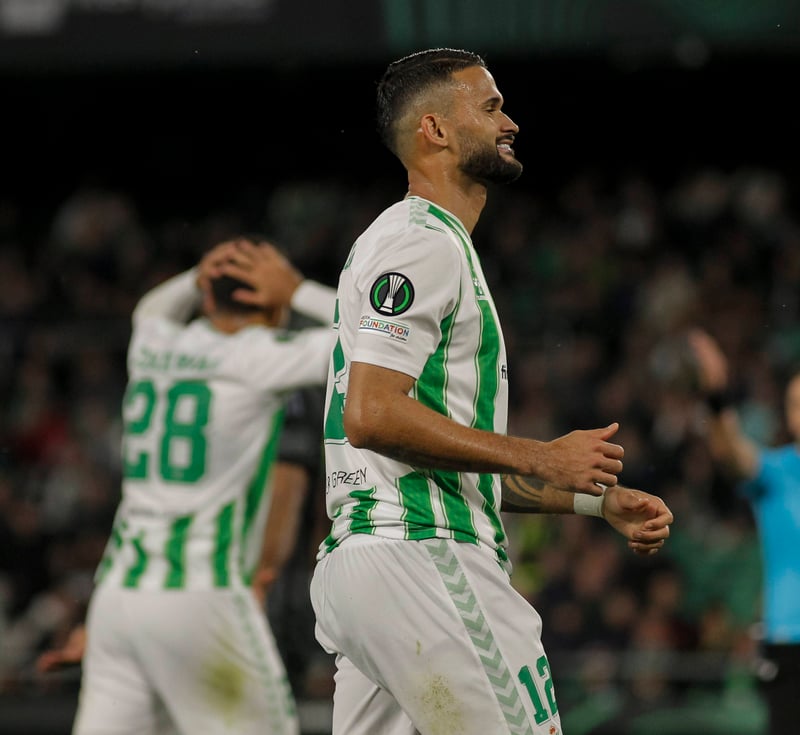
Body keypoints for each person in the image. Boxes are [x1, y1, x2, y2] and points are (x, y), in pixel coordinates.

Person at [298, 48, 674, 735]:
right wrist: (541, 455)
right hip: (425, 561)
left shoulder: (402, 241)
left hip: (368, 567)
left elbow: (435, 459)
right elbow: (372, 415)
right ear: (436, 130)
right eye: (491, 106)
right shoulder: (423, 243)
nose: (512, 122)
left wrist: (592, 501)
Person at [42, 236, 336, 735]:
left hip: (118, 596)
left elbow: (151, 308)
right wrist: (298, 289)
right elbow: (372, 334)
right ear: (271, 303)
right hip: (200, 590)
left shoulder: (155, 344)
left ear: (207, 299)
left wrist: (200, 270)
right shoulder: (258, 356)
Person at [689, 327, 800, 735]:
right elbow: (729, 451)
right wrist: (717, 395)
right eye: (795, 404)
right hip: (791, 642)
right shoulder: (778, 471)